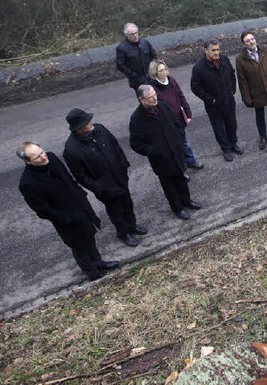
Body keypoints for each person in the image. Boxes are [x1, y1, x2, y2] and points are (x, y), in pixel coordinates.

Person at [17, 141, 120, 281]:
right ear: (27, 161)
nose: (43, 157)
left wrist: (80, 194)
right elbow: (43, 211)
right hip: (67, 221)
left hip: (81, 207)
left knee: (90, 238)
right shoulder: (27, 183)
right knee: (79, 247)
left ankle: (99, 263)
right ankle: (92, 272)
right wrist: (68, 218)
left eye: (42, 152)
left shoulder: (51, 157)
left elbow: (67, 178)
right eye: (37, 157)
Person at [63, 108, 147, 247]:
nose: (91, 122)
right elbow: (80, 176)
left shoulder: (100, 129)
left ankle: (132, 226)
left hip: (120, 178)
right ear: (78, 128)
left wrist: (123, 165)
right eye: (86, 122)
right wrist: (99, 188)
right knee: (116, 211)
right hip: (105, 188)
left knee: (127, 203)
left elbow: (115, 145)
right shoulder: (71, 150)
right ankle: (123, 233)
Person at [129, 85, 202, 220]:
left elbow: (176, 124)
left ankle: (187, 201)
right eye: (150, 97)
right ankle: (177, 208)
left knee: (181, 179)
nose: (154, 99)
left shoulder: (163, 106)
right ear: (141, 100)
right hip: (161, 160)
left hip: (176, 153)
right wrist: (154, 151)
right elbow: (135, 144)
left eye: (155, 95)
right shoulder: (136, 119)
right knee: (169, 186)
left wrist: (179, 140)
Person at [191, 40, 243, 162]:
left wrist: (232, 89)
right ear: (206, 51)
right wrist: (211, 100)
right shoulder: (199, 67)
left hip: (229, 100)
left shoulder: (224, 60)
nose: (216, 52)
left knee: (232, 124)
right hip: (213, 105)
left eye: (217, 49)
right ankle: (226, 149)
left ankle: (233, 144)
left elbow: (231, 74)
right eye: (213, 50)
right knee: (219, 128)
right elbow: (195, 87)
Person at [149, 60, 203, 169]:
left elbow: (180, 95)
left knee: (185, 143)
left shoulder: (171, 80)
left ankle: (191, 161)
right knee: (174, 147)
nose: (165, 72)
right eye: (161, 71)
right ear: (155, 73)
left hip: (178, 118)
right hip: (166, 123)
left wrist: (187, 111)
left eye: (165, 69)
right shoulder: (153, 89)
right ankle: (181, 168)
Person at [116, 23, 157, 91]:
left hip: (151, 77)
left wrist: (155, 70)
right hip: (138, 81)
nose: (135, 36)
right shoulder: (121, 48)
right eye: (131, 34)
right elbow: (120, 65)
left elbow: (154, 56)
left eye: (136, 33)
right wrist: (133, 75)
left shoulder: (145, 43)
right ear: (126, 35)